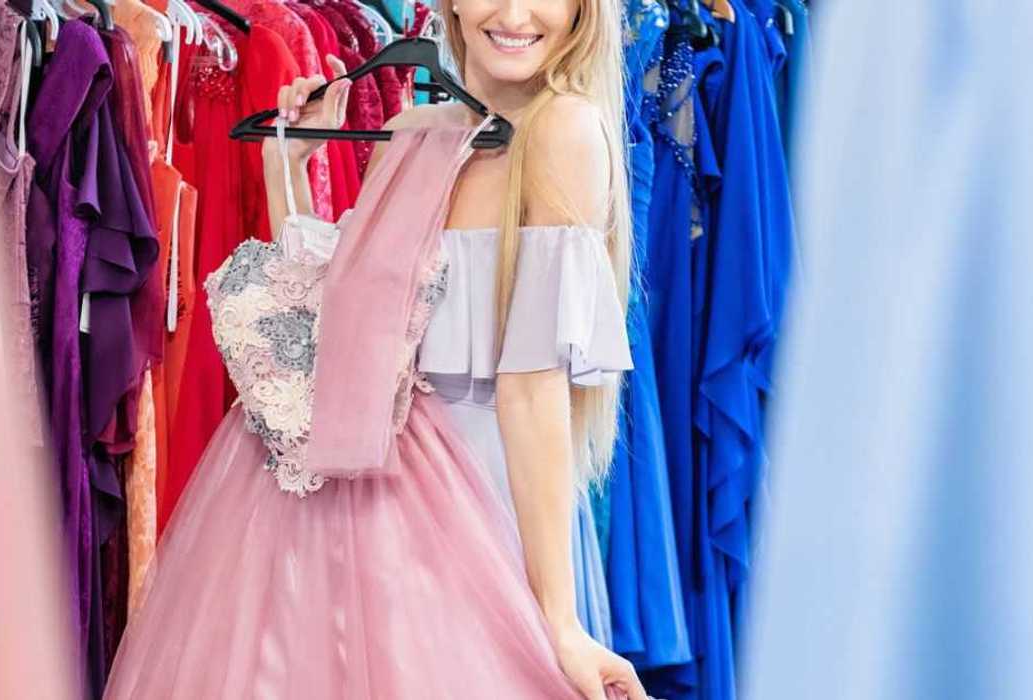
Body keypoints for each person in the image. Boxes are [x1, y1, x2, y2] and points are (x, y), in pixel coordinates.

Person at [103, 0, 646, 696]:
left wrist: (559, 620)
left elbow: (531, 390)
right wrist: (286, 167)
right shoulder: (411, 132)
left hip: (468, 518)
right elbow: (335, 341)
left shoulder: (563, 129)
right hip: (360, 521)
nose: (515, 14)